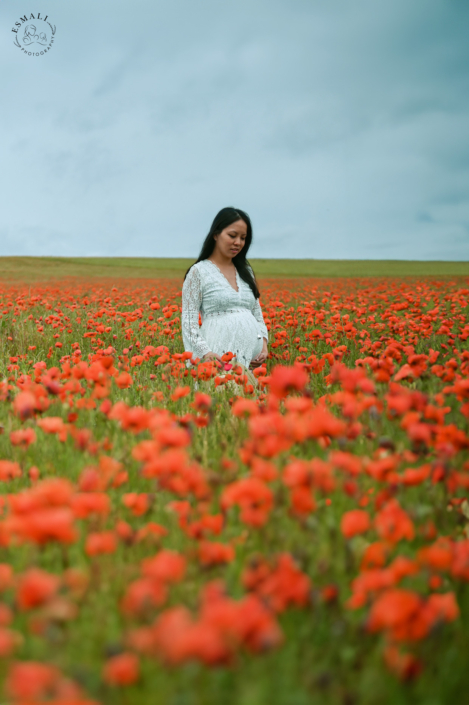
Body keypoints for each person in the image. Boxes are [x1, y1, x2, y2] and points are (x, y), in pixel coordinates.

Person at [181, 207, 269, 386]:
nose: (238, 242)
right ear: (216, 234)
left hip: (250, 364)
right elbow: (188, 322)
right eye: (232, 235)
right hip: (217, 359)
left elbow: (257, 314)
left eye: (243, 238)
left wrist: (263, 346)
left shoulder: (246, 272)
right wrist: (206, 353)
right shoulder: (198, 272)